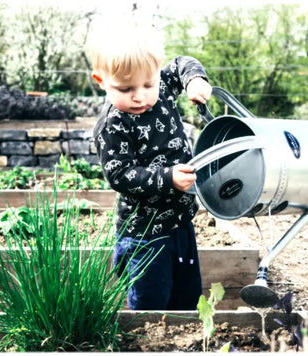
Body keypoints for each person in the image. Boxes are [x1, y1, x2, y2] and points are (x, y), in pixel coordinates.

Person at [89, 18, 212, 310]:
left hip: (182, 222)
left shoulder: (164, 88)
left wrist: (194, 79)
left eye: (148, 83)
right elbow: (120, 175)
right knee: (151, 300)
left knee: (187, 294)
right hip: (144, 233)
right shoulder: (112, 125)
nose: (140, 95)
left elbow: (183, 62)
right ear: (101, 81)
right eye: (125, 88)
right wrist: (167, 178)